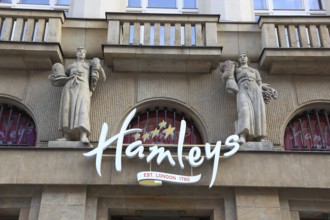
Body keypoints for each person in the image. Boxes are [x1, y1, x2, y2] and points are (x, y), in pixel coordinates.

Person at [49, 47, 106, 144]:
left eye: (83, 52)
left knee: (82, 109)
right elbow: (62, 76)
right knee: (67, 109)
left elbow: (103, 77)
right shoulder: (71, 66)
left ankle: (83, 135)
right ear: (76, 54)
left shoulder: (89, 65)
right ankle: (66, 136)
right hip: (69, 87)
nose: (81, 53)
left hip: (83, 87)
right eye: (79, 52)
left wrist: (99, 67)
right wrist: (55, 77)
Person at [222, 52, 277, 143]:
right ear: (238, 60)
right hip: (242, 89)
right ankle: (243, 135)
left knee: (258, 112)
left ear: (248, 59)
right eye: (240, 57)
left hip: (255, 90)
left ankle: (260, 137)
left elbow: (259, 83)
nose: (242, 58)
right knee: (244, 110)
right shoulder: (236, 70)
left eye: (244, 56)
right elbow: (229, 77)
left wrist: (264, 90)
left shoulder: (254, 71)